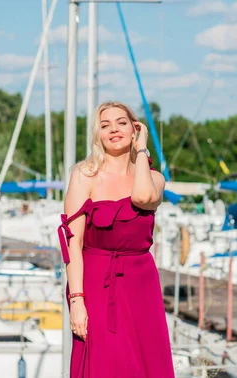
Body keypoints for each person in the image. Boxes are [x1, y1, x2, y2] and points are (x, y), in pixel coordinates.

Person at [58, 101, 175, 377]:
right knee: (104, 362)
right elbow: (72, 243)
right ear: (97, 135)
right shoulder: (84, 176)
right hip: (96, 282)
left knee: (146, 362)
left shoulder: (154, 178)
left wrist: (142, 150)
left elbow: (143, 198)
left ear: (135, 130)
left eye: (121, 123)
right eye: (105, 125)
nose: (113, 130)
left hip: (141, 283)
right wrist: (77, 300)